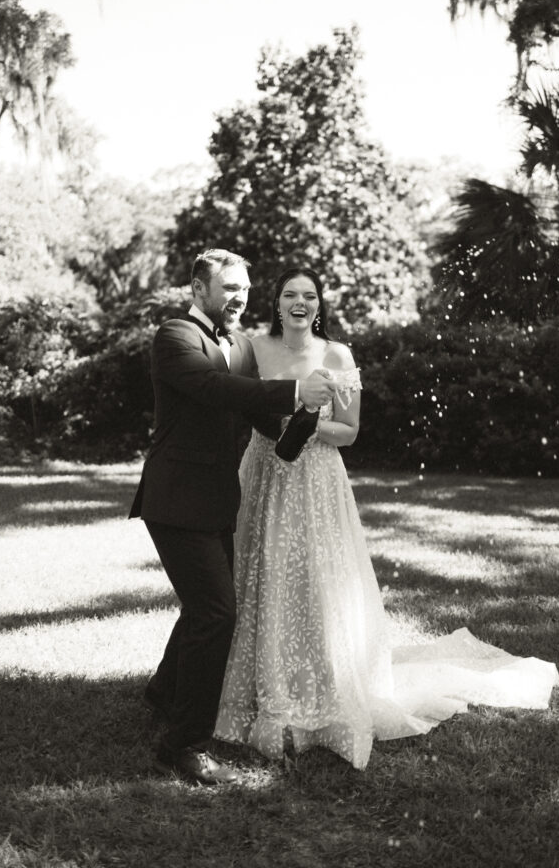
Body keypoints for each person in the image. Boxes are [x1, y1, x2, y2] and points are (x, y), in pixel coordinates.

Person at [215, 267, 559, 770]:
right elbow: (238, 403)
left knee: (313, 580)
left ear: (319, 305)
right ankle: (250, 687)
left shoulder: (337, 355)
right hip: (262, 471)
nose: (299, 302)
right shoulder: (253, 349)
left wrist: (305, 427)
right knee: (257, 572)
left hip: (314, 479)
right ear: (275, 303)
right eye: (289, 294)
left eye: (308, 295)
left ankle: (318, 686)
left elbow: (350, 431)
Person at [129, 249, 336, 785]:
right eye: (229, 288)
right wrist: (294, 388)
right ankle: (184, 745)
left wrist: (309, 412)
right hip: (174, 501)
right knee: (217, 612)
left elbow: (267, 426)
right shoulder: (175, 337)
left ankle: (162, 692)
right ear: (200, 291)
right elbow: (214, 389)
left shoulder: (239, 346)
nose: (240, 297)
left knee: (207, 606)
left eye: (245, 288)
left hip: (219, 500)